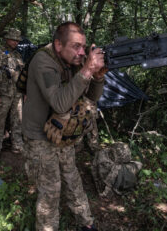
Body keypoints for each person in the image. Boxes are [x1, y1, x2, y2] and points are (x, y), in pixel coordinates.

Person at [22, 22, 105, 231]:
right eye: (76, 47)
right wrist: (86, 70)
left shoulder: (72, 60)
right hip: (40, 136)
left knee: (72, 179)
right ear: (58, 45)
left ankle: (86, 223)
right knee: (51, 190)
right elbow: (59, 103)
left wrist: (98, 76)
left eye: (84, 47)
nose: (82, 52)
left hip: (62, 132)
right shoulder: (43, 61)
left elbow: (91, 98)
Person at [0, 28, 25, 159]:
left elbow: (22, 76)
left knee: (17, 122)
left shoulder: (18, 56)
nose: (15, 42)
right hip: (3, 95)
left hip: (17, 95)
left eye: (17, 40)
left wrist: (24, 92)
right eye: (13, 39)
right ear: (7, 39)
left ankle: (17, 146)